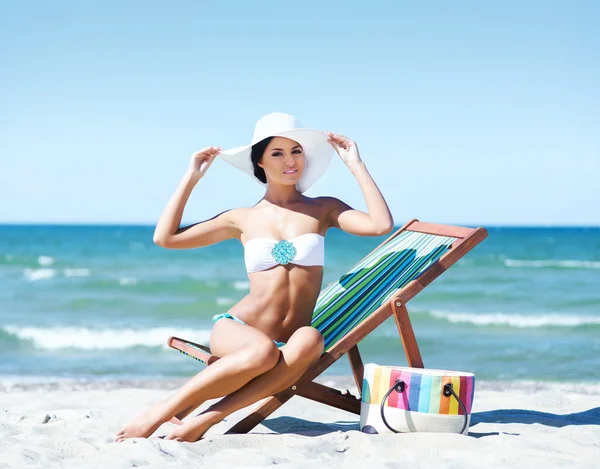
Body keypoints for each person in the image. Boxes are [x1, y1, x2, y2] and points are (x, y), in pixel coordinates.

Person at [115, 112, 394, 443]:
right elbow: (166, 238)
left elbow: (380, 225)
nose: (290, 161)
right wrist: (191, 178)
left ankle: (203, 419)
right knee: (262, 352)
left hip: (289, 342)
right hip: (239, 330)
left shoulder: (324, 209)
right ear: (259, 162)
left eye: (296, 151)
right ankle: (159, 412)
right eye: (277, 153)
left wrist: (356, 165)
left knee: (310, 339)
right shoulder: (241, 218)